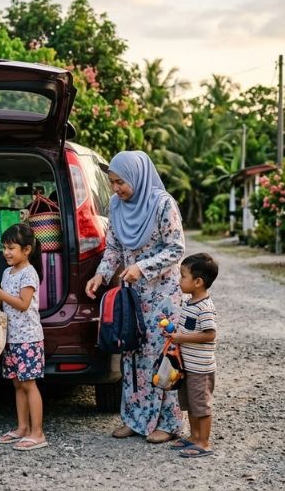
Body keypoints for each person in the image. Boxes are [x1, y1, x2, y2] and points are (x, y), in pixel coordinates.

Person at [85, 150, 185, 444]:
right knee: (131, 355)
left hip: (164, 295)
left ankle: (168, 423)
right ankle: (135, 419)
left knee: (161, 358)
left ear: (137, 177)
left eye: (121, 182)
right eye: (113, 182)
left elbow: (176, 248)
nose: (116, 189)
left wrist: (142, 267)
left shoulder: (163, 204)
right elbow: (113, 249)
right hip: (133, 296)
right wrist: (101, 275)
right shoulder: (115, 206)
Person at [0, 223, 48, 452]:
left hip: (28, 338)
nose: (7, 252)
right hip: (11, 338)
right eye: (5, 247)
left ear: (27, 250)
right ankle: (22, 428)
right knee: (18, 384)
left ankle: (37, 433)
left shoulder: (28, 273)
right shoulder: (6, 272)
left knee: (29, 384)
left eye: (12, 247)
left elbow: (22, 304)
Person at [166, 253, 218, 458]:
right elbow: (186, 331)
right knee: (188, 402)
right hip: (187, 366)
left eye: (182, 276)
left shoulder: (205, 307)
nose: (179, 281)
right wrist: (174, 333)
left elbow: (210, 334)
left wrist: (182, 338)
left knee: (201, 405)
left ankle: (204, 442)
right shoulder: (189, 303)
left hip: (200, 369)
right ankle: (194, 436)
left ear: (198, 282)